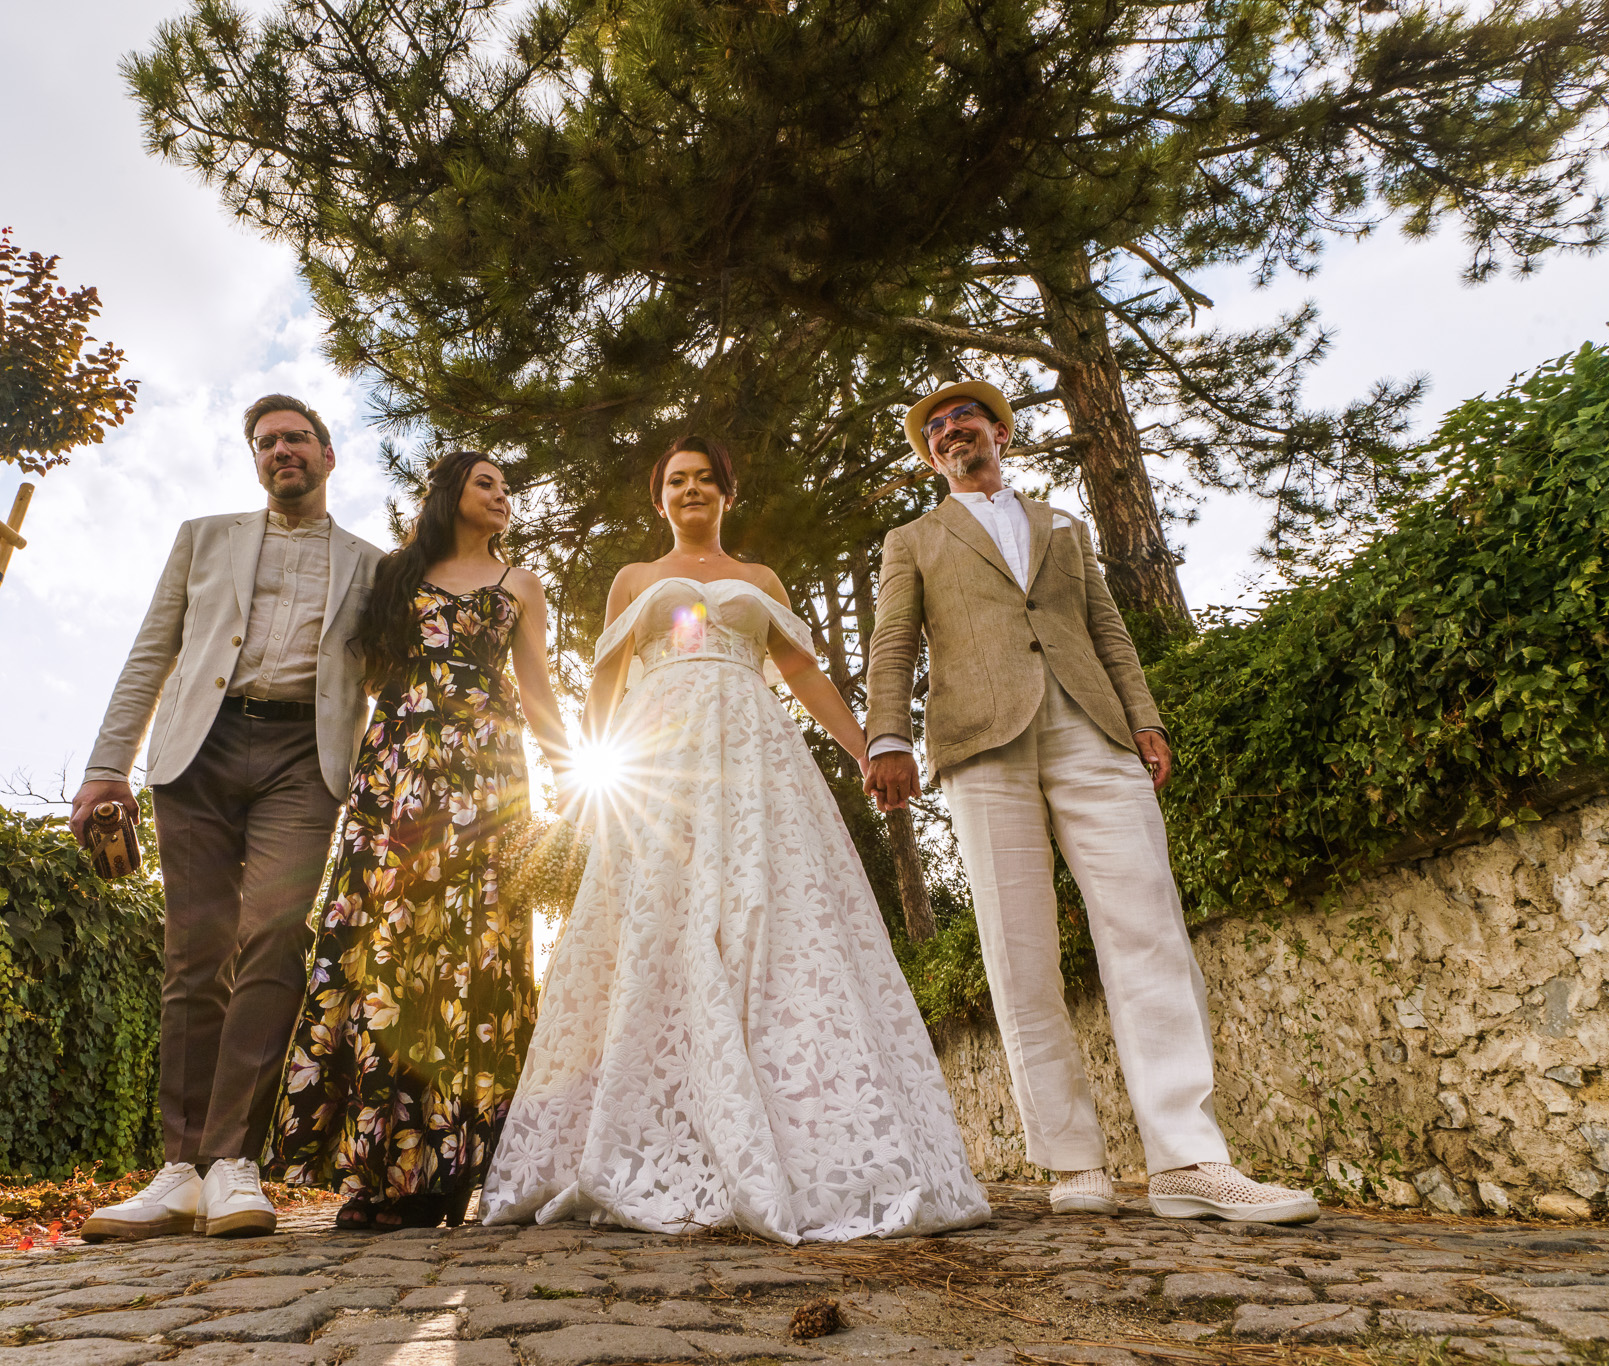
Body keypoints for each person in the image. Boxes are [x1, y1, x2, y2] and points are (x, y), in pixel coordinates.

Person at [480, 436, 992, 1244]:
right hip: (662, 758)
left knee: (774, 920)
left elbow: (804, 673)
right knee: (663, 921)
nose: (691, 489)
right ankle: (655, 1138)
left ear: (727, 492)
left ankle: (803, 1141)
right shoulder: (635, 579)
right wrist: (584, 782)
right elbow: (604, 684)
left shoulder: (760, 580)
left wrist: (866, 747)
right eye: (676, 481)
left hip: (757, 759)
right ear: (660, 499)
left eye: (705, 479)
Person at [862, 380, 1319, 1224]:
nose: (950, 430)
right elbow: (893, 639)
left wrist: (1144, 718)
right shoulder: (913, 539)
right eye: (935, 429)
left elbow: (1108, 629)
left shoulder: (1063, 526)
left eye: (964, 418)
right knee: (1019, 948)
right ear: (929, 457)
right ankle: (1072, 1161)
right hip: (981, 740)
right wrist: (887, 736)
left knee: (1149, 926)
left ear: (1000, 432)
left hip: (1092, 727)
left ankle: (1188, 1159)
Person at [72, 394, 383, 1240]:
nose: (282, 450)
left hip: (304, 759)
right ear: (257, 460)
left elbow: (392, 679)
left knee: (274, 941)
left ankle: (232, 1163)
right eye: (266, 442)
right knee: (194, 951)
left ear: (328, 455)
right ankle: (178, 1171)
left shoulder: (373, 564)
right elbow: (151, 651)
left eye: (297, 438)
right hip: (197, 754)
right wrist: (106, 768)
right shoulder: (203, 537)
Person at [268, 450, 572, 1232]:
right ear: (449, 493)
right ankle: (379, 1172)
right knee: (387, 954)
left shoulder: (521, 584)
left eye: (508, 487)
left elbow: (537, 686)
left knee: (473, 960)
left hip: (489, 783)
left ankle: (452, 1172)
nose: (502, 496)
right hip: (398, 775)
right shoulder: (395, 574)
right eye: (486, 483)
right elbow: (363, 677)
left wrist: (570, 780)